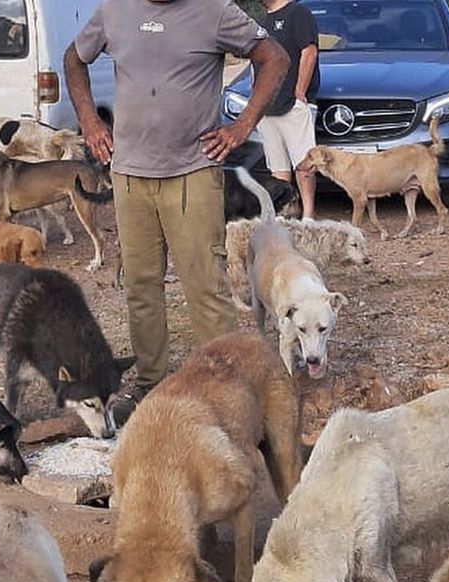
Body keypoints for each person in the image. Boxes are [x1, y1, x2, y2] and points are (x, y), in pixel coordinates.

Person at [64, 0, 289, 425]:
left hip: (193, 172)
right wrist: (90, 122)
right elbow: (74, 59)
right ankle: (151, 382)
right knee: (141, 286)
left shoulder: (215, 11)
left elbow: (273, 57)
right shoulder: (114, 10)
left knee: (205, 285)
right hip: (129, 172)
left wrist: (242, 126)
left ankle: (228, 387)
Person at [256, 0, 320, 220]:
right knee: (278, 167)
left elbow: (309, 52)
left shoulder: (298, 12)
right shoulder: (263, 21)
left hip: (292, 104)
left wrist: (300, 91)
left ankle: (309, 215)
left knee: (304, 164)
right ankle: (284, 213)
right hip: (266, 106)